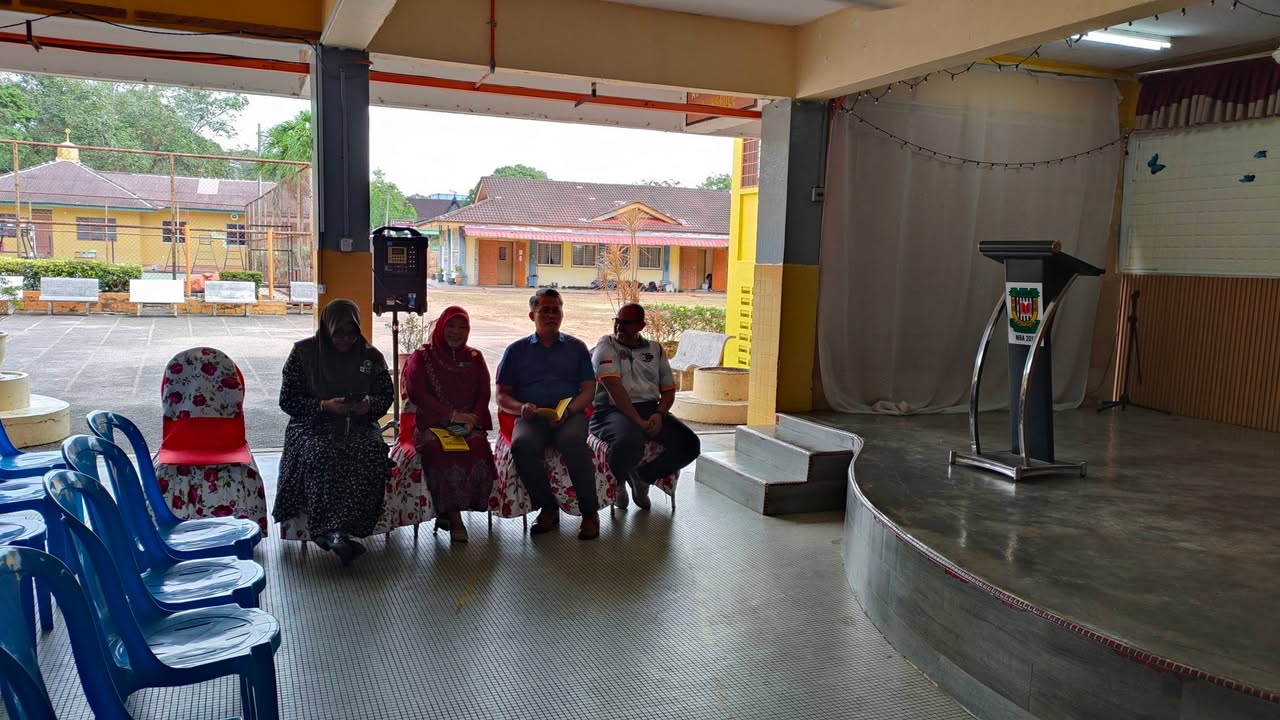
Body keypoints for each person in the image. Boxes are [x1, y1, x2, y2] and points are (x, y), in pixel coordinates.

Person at [273, 299, 394, 565]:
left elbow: (386, 395)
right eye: (339, 333)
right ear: (327, 329)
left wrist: (368, 405)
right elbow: (287, 400)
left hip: (358, 423)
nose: (346, 340)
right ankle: (330, 532)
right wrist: (323, 405)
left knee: (371, 451)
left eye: (352, 333)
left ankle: (350, 528)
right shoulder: (304, 353)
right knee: (322, 454)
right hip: (312, 424)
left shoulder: (370, 356)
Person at [495, 288, 600, 540]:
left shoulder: (576, 347)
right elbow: (501, 395)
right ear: (532, 315)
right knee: (522, 444)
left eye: (556, 310)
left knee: (572, 441)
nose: (552, 315)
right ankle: (547, 508)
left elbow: (589, 389)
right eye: (545, 310)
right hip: (531, 416)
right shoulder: (516, 351)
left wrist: (570, 410)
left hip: (570, 414)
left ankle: (589, 512)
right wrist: (521, 409)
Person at [591, 303, 701, 510]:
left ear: (641, 326)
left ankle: (643, 478)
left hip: (650, 408)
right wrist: (639, 422)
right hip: (612, 410)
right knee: (628, 441)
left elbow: (668, 389)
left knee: (690, 445)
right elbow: (614, 388)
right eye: (617, 321)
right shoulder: (606, 344)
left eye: (626, 323)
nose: (619, 327)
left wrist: (659, 414)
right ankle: (619, 483)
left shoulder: (655, 349)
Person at [402, 306, 497, 544]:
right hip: (431, 426)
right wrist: (452, 415)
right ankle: (454, 518)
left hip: (467, 426)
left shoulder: (474, 358)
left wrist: (472, 420)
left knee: (478, 446)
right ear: (441, 327)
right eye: (451, 326)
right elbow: (416, 393)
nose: (456, 331)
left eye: (462, 327)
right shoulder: (423, 356)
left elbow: (484, 394)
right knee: (439, 450)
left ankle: (449, 510)